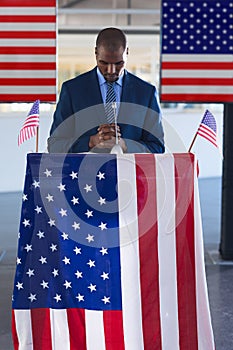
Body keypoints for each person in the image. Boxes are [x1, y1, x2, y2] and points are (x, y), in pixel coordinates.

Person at [48, 27, 165, 154]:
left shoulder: (146, 93)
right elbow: (55, 145)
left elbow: (157, 147)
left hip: (130, 172)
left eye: (119, 63)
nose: (111, 70)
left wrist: (125, 145)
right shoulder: (72, 90)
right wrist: (91, 141)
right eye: (104, 63)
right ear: (96, 53)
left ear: (127, 53)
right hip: (85, 172)